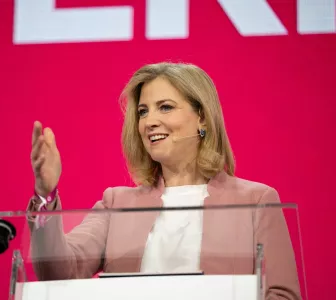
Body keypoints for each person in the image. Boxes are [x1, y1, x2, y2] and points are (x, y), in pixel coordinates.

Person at [27, 62, 301, 300]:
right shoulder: (117, 203)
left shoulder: (255, 201)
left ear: (202, 117)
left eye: (165, 107)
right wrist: (45, 195)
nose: (149, 122)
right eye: (143, 112)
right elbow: (59, 271)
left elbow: (281, 295)